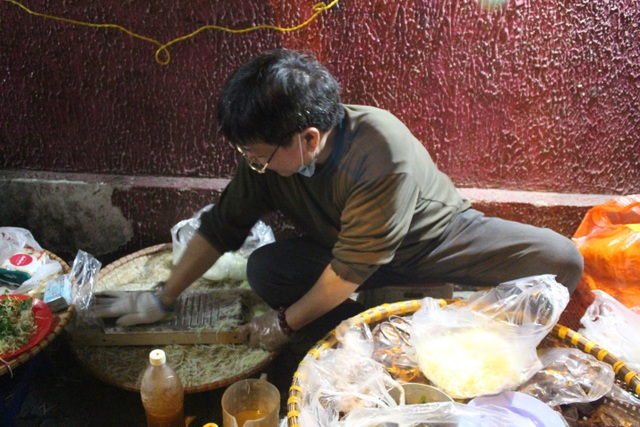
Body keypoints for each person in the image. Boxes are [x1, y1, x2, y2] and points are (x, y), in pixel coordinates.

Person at [93, 49, 584, 351]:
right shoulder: (266, 156)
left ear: (308, 138)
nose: (252, 165)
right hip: (344, 251)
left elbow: (349, 270)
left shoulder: (380, 148)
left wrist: (283, 325)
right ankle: (386, 322)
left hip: (432, 241)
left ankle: (425, 309)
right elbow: (224, 225)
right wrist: (163, 296)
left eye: (259, 157)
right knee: (266, 270)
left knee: (560, 258)